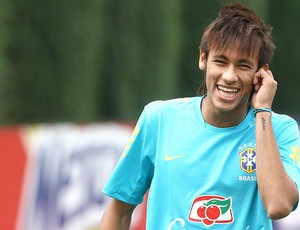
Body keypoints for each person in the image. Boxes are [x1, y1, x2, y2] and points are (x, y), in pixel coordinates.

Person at [100, 2, 300, 229]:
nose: (229, 76)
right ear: (203, 59)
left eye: (243, 65)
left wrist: (263, 111)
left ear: (261, 72)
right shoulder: (159, 119)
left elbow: (278, 205)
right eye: (221, 61)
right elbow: (118, 212)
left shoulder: (280, 129)